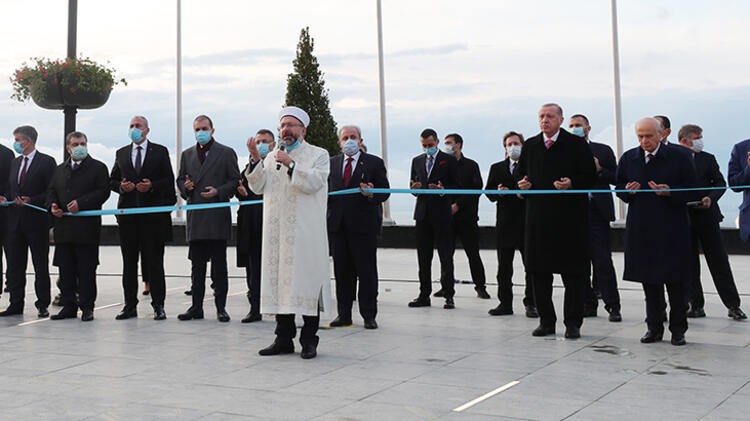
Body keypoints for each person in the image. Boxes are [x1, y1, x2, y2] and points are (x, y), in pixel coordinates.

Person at [246, 106, 330, 359]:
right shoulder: (272, 157)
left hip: (305, 234)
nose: (286, 130)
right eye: (283, 126)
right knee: (279, 283)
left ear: (303, 130)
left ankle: (309, 340)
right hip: (276, 232)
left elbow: (315, 182)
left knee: (306, 282)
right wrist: (254, 160)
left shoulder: (318, 154)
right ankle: (283, 338)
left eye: (292, 125)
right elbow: (258, 186)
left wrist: (292, 163)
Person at [516, 103, 597, 339]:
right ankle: (546, 321)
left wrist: (571, 183)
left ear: (561, 119)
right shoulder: (530, 145)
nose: (545, 120)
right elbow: (520, 176)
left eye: (550, 116)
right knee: (539, 272)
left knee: (573, 274)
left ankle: (573, 323)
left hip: (570, 220)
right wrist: (522, 185)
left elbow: (590, 176)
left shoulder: (576, 144)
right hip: (538, 220)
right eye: (541, 116)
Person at [616, 117, 696, 345]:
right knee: (649, 280)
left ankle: (678, 329)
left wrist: (670, 192)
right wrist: (628, 191)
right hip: (642, 227)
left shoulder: (679, 156)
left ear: (661, 134)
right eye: (640, 136)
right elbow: (619, 187)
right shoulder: (630, 158)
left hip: (672, 227)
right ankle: (654, 327)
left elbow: (693, 190)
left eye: (649, 136)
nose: (644, 141)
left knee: (675, 281)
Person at [109, 116, 175, 321]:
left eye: (138, 126)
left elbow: (168, 180)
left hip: (152, 218)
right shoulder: (121, 153)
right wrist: (121, 187)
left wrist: (152, 185)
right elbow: (112, 180)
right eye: (131, 126)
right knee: (129, 263)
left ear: (147, 130)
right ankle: (129, 305)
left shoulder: (160, 151)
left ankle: (158, 305)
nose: (134, 129)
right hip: (128, 218)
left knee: (154, 262)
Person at [677, 124, 746, 320]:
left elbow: (720, 183)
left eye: (701, 136)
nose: (700, 140)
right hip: (684, 217)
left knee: (719, 262)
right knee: (689, 264)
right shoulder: (674, 158)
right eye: (696, 137)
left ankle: (733, 305)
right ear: (684, 140)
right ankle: (695, 305)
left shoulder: (708, 159)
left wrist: (710, 198)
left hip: (707, 217)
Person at [176, 115, 240, 323]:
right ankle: (196, 307)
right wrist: (185, 188)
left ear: (212, 130)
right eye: (197, 129)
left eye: (204, 128)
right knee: (197, 268)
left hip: (216, 218)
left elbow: (234, 181)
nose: (200, 132)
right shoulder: (187, 154)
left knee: (219, 267)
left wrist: (218, 191)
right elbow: (180, 179)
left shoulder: (226, 152)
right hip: (196, 217)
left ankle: (221, 308)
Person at [327, 125, 390, 330]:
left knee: (366, 273)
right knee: (342, 273)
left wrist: (372, 193)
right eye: (345, 137)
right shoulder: (331, 163)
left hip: (364, 227)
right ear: (339, 142)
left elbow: (385, 192)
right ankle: (344, 314)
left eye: (353, 137)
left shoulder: (374, 163)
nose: (349, 141)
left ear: (360, 140)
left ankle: (369, 315)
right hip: (338, 227)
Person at [47, 131, 111, 321]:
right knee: (65, 270)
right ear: (68, 148)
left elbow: (103, 192)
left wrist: (81, 203)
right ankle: (68, 306)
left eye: (83, 143)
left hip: (86, 230)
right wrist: (53, 205)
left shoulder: (98, 167)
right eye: (75, 144)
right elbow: (51, 191)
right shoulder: (59, 169)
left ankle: (87, 307)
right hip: (64, 229)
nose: (80, 147)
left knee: (86, 270)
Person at [568, 114, 622, 322]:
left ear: (588, 128)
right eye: (571, 126)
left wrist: (599, 170)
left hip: (597, 212)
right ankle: (588, 304)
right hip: (574, 212)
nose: (575, 128)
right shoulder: (565, 151)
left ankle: (612, 305)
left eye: (578, 125)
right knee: (578, 262)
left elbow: (617, 178)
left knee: (602, 261)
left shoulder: (603, 150)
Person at [0, 125, 56, 318]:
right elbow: (11, 188)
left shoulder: (47, 162)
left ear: (29, 140)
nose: (16, 143)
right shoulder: (15, 163)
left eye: (18, 140)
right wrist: (7, 197)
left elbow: (50, 190)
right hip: (14, 222)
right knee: (15, 265)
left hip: (36, 222)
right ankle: (15, 303)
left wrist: (32, 200)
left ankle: (42, 303)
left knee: (40, 264)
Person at [485, 131, 536, 317]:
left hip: (526, 222)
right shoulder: (496, 168)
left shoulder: (531, 167)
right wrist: (498, 192)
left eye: (516, 143)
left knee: (530, 266)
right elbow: (488, 193)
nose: (513, 147)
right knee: (504, 268)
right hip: (505, 223)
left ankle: (531, 303)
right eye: (509, 144)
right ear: (505, 147)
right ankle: (505, 303)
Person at [408, 128, 459, 309]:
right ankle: (424, 294)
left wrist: (443, 190)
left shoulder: (449, 160)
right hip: (422, 214)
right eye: (424, 146)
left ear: (437, 142)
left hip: (442, 213)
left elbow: (457, 185)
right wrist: (415, 187)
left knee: (446, 256)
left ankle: (448, 294)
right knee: (423, 257)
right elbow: (412, 185)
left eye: (430, 145)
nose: (427, 148)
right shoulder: (417, 161)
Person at [434, 133, 489, 299]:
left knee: (473, 254)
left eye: (450, 143)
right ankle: (446, 286)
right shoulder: (441, 164)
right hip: (447, 218)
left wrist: (458, 205)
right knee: (446, 255)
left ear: (459, 145)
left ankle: (480, 286)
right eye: (445, 143)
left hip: (467, 218)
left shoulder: (471, 165)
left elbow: (476, 190)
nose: (447, 146)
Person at [235, 129, 275, 323]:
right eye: (258, 141)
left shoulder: (277, 165)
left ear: (273, 144)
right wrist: (241, 192)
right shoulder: (248, 167)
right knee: (252, 269)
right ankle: (254, 307)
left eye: (265, 141)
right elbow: (244, 189)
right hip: (251, 226)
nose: (260, 145)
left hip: (271, 225)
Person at [0, 142, 12, 299]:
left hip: (4, 210)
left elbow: (11, 182)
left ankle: (11, 282)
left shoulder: (6, 154)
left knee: (11, 251)